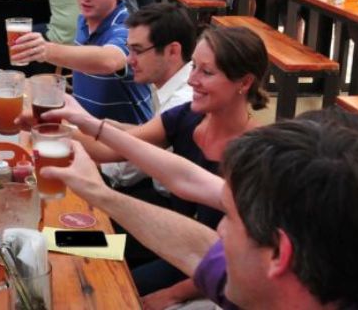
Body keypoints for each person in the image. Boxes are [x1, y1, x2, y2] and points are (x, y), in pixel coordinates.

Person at [42, 111, 358, 310]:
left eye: (230, 218)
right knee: (56, 244)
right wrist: (98, 193)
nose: (218, 231)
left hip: (156, 265)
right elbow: (197, 244)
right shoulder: (285, 281)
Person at [44, 25, 269, 303]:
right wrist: (58, 124)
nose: (191, 80)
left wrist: (168, 296)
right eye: (194, 67)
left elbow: (237, 266)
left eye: (206, 72)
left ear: (244, 83)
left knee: (103, 288)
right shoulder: (185, 117)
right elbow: (115, 147)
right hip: (167, 238)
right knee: (58, 242)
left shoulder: (259, 157)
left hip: (200, 269)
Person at [12, 0, 153, 125]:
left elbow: (109, 61)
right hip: (87, 129)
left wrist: (45, 50)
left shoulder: (129, 27)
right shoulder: (83, 20)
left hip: (128, 140)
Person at [102, 2, 196, 193]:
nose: (129, 60)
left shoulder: (183, 100)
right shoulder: (169, 83)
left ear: (173, 51)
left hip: (172, 208)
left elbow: (123, 173)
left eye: (138, 50)